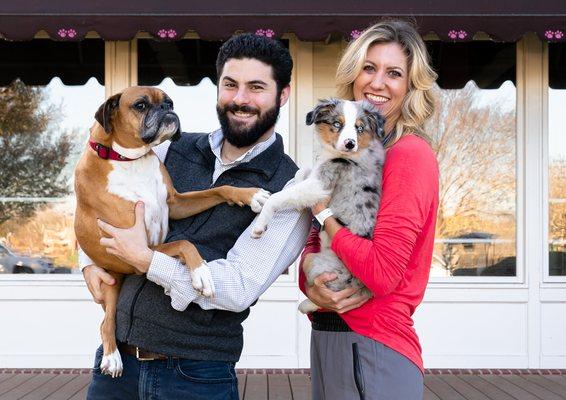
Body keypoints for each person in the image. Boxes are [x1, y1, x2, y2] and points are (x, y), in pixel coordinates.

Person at [81, 33, 310, 400]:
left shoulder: (289, 188)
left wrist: (145, 260)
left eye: (256, 87)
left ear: (282, 95)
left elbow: (238, 288)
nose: (240, 99)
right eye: (230, 85)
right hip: (116, 365)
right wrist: (89, 261)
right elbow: (100, 199)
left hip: (196, 375)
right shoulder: (170, 147)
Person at [299, 20, 439, 399]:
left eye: (394, 73)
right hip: (330, 340)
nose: (378, 83)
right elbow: (313, 252)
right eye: (369, 67)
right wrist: (311, 275)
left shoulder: (408, 155)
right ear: (353, 74)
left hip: (373, 346)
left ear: (410, 87)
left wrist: (325, 216)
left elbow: (381, 274)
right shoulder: (352, 152)